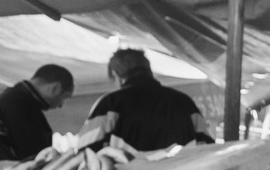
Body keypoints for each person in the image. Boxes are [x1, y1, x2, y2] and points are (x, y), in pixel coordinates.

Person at [84, 48, 213, 152]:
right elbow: (206, 147)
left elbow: (87, 150)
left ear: (115, 74)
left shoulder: (109, 104)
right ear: (149, 70)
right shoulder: (185, 103)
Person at [0, 64, 73, 164]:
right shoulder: (19, 104)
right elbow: (34, 157)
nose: (60, 105)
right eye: (65, 97)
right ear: (55, 88)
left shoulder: (8, 99)